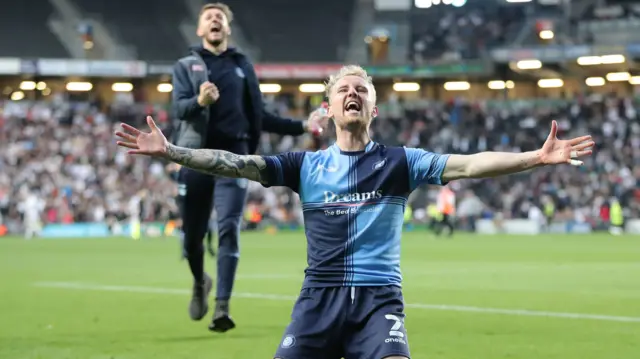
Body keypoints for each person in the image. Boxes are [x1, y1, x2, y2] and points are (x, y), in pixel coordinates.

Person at [115, 65, 594, 359]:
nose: (353, 94)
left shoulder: (401, 163)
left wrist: (535, 156)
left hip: (378, 302)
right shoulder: (304, 165)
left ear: (373, 110)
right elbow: (237, 164)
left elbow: (469, 165)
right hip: (317, 301)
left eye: (362, 90)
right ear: (327, 109)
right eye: (345, 89)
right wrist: (173, 151)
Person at [171, 2, 327, 332]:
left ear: (228, 28)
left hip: (236, 157)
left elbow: (261, 116)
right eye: (208, 17)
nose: (214, 20)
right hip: (194, 155)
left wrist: (303, 125)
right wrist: (199, 102)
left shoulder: (243, 66)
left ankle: (222, 308)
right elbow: (178, 110)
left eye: (220, 17)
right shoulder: (186, 66)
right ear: (200, 30)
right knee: (192, 239)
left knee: (229, 227)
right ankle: (200, 280)